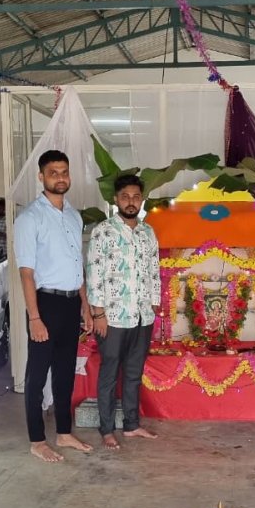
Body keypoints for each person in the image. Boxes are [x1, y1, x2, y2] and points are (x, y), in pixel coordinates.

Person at [13, 150, 94, 463]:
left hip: (72, 302)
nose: (60, 178)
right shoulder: (30, 218)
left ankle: (63, 432)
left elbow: (78, 267)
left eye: (64, 172)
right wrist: (34, 317)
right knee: (36, 374)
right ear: (41, 177)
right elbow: (26, 272)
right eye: (53, 173)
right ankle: (37, 439)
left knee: (64, 372)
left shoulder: (74, 216)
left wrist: (85, 305)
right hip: (44, 303)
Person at [86, 174, 161, 450]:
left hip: (142, 316)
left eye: (136, 197)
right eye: (125, 197)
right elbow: (94, 274)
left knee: (133, 373)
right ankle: (106, 430)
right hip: (114, 317)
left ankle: (131, 425)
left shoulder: (147, 232)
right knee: (109, 373)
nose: (131, 202)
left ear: (141, 200)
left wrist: (154, 301)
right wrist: (98, 314)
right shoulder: (103, 232)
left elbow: (154, 270)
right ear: (116, 199)